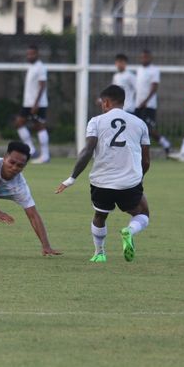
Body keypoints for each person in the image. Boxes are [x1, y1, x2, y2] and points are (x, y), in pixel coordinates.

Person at [56, 85, 151, 263]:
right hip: (129, 183)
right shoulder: (140, 123)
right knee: (143, 213)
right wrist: (137, 179)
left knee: (100, 216)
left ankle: (99, 253)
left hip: (101, 182)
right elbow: (146, 161)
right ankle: (129, 231)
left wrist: (71, 178)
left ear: (106, 102)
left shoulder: (96, 121)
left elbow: (87, 151)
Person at [16, 45, 50, 164]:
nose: (29, 56)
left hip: (37, 103)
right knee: (19, 123)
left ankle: (45, 155)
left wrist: (36, 103)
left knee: (40, 126)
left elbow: (42, 85)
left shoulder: (40, 67)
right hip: (28, 102)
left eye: (32, 54)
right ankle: (31, 149)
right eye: (28, 54)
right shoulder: (31, 67)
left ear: (37, 54)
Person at [135, 49, 171, 156]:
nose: (143, 59)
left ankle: (165, 144)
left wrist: (145, 101)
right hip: (138, 105)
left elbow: (154, 87)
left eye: (146, 57)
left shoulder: (154, 70)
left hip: (149, 105)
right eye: (142, 57)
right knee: (137, 129)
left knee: (148, 129)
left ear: (150, 58)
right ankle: (138, 151)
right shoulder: (139, 70)